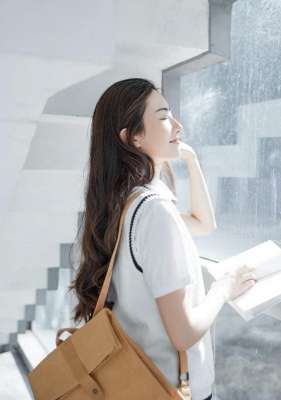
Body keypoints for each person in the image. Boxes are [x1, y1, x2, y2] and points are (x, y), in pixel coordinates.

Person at [60, 78, 257, 400]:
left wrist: (192, 161)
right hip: (166, 387)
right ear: (132, 137)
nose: (178, 125)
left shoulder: (126, 203)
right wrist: (224, 287)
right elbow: (183, 334)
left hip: (134, 379)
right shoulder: (154, 213)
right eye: (164, 117)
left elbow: (203, 224)